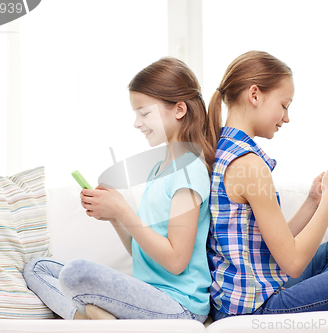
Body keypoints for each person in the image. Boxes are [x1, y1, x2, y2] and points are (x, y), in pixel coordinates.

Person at [205, 50, 328, 321]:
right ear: (255, 95)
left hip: (239, 299)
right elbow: (293, 264)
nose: (286, 117)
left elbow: (271, 244)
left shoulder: (223, 149)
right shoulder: (249, 165)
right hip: (255, 310)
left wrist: (312, 201)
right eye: (284, 105)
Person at [23, 57, 214, 322]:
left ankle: (94, 319)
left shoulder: (189, 170)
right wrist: (114, 216)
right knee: (37, 267)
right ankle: (90, 320)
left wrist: (123, 211)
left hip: (180, 306)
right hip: (150, 294)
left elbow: (176, 261)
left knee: (76, 272)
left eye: (144, 113)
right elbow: (142, 253)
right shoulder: (158, 169)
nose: (137, 123)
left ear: (179, 109)